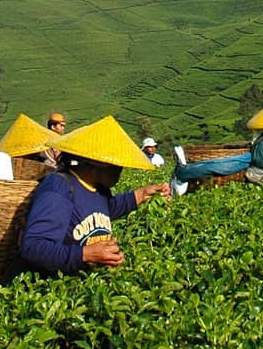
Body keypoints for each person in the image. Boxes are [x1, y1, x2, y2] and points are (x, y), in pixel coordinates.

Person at [20, 116, 168, 276]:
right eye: (118, 165)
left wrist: (143, 194)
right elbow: (33, 247)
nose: (121, 170)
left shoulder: (100, 190)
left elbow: (107, 208)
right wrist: (84, 254)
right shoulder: (59, 186)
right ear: (101, 164)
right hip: (59, 290)